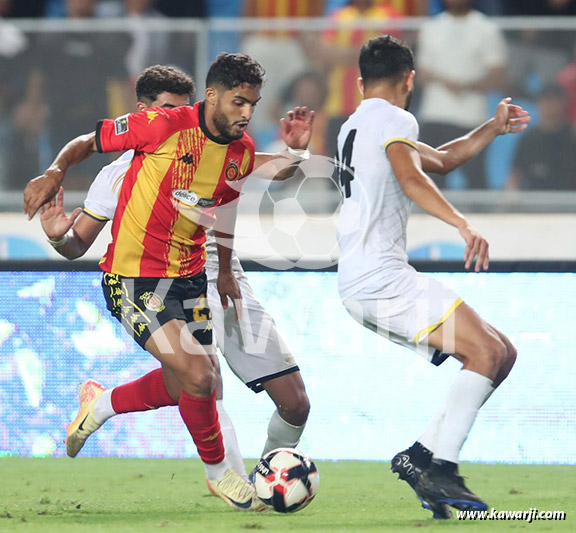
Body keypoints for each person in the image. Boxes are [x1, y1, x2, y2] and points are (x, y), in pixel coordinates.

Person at [24, 53, 314, 511]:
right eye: (239, 102)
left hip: (192, 278)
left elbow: (226, 204)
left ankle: (100, 404)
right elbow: (87, 142)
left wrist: (223, 267)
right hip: (134, 280)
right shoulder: (160, 128)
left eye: (253, 105)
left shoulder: (237, 151)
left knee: (187, 386)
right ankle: (221, 474)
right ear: (214, 95)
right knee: (202, 376)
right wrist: (54, 178)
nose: (246, 113)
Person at [335, 35, 529, 518]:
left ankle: (420, 456)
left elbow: (439, 161)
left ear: (360, 83)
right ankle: (443, 470)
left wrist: (491, 127)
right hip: (380, 278)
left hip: (364, 279)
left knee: (501, 353)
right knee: (485, 352)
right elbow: (412, 176)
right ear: (410, 80)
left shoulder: (354, 125)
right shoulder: (398, 119)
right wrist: (461, 223)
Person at [417, 0, 508, 189]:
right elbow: (421, 73)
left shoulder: (486, 29)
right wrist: (447, 82)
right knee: (432, 183)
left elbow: (498, 75)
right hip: (436, 114)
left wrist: (466, 85)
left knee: (476, 180)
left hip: (472, 119)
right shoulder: (431, 28)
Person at [507, 84, 576, 191]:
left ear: (564, 103)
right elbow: (515, 174)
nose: (550, 105)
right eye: (546, 100)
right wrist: (511, 194)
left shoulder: (572, 136)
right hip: (536, 202)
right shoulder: (528, 139)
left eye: (554, 100)